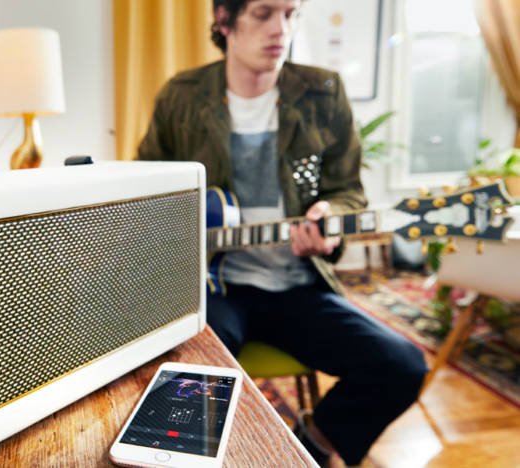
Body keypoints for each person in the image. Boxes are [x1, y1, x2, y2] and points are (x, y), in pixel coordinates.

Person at [136, 0, 428, 466]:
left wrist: (331, 218)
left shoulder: (323, 93)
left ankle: (308, 448)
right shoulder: (182, 96)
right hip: (214, 287)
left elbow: (348, 191)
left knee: (402, 365)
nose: (281, 28)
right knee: (186, 379)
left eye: (291, 14)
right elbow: (146, 185)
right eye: (263, 13)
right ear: (224, 19)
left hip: (296, 287)